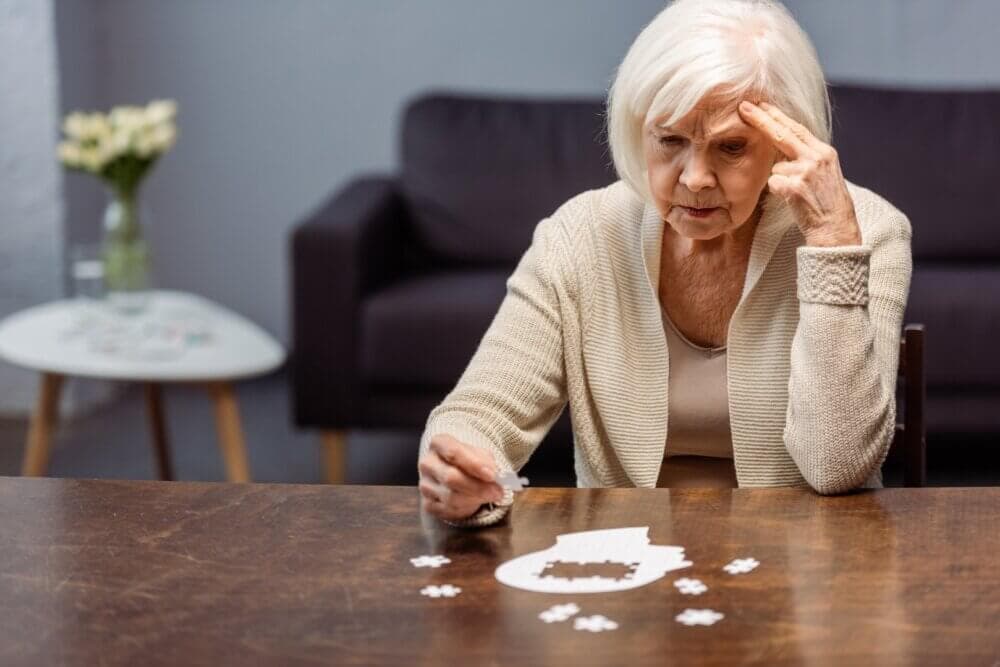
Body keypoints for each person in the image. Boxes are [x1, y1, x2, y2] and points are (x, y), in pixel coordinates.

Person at [417, 0, 912, 526]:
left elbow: (838, 467)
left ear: (786, 143)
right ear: (638, 130)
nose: (695, 177)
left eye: (731, 147)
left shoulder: (867, 231)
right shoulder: (579, 235)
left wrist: (831, 243)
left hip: (808, 565)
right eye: (670, 140)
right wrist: (459, 467)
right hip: (623, 567)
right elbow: (480, 412)